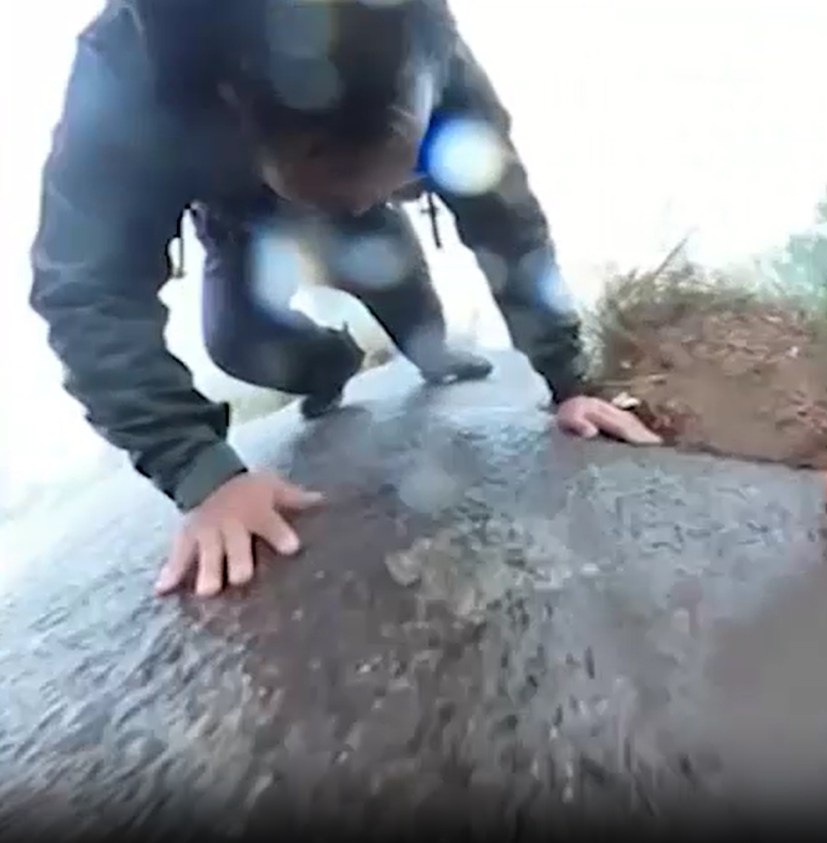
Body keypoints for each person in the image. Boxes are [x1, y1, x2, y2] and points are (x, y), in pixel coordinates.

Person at [30, 0, 660, 598]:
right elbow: (86, 288)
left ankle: (419, 332)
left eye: (382, 165)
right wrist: (201, 473)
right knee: (239, 350)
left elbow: (504, 215)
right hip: (237, 221)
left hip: (360, 195)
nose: (354, 197)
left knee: (418, 323)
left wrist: (569, 376)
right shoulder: (128, 74)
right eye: (338, 178)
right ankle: (335, 362)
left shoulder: (429, 47)